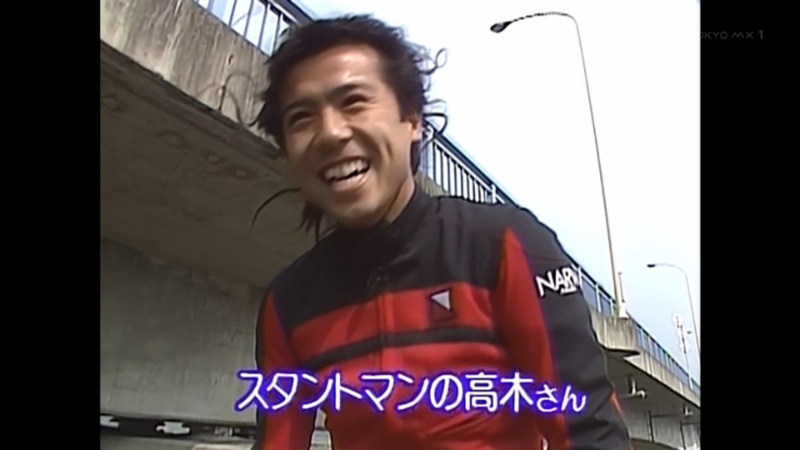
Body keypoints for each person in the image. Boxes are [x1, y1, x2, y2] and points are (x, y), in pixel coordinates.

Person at [249, 14, 632, 450]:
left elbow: (590, 432)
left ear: (413, 121)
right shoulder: (287, 303)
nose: (330, 133)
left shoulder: (504, 246)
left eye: (354, 102)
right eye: (301, 118)